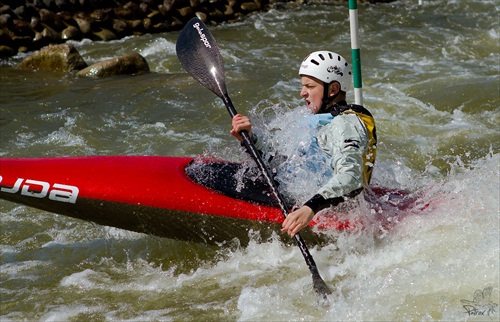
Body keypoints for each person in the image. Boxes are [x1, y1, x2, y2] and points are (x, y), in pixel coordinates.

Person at [230, 51, 377, 237]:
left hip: (328, 209)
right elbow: (283, 164)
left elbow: (351, 177)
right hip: (303, 197)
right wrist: (250, 139)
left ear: (332, 89)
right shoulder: (322, 119)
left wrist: (310, 208)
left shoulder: (345, 124)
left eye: (309, 86)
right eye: (303, 86)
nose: (302, 93)